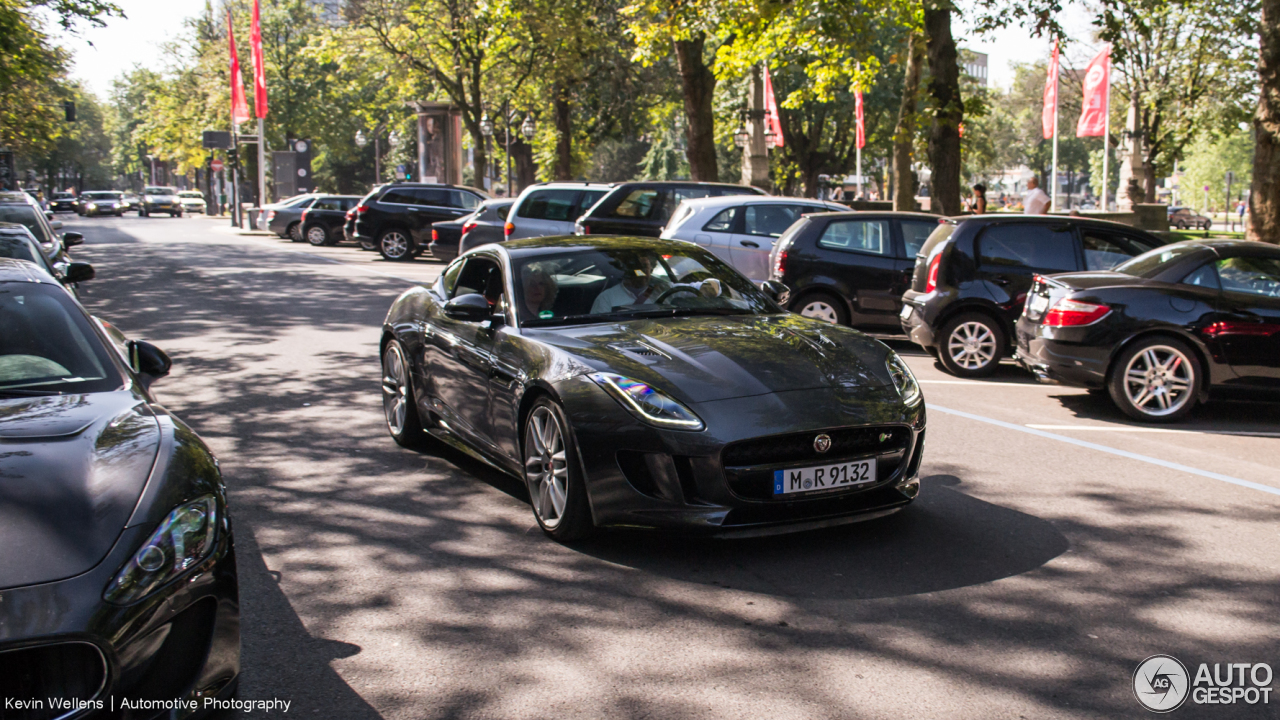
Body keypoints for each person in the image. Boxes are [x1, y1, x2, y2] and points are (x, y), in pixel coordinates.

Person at [591, 253, 671, 314]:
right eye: (637, 268)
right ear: (627, 271)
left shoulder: (663, 294)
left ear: (651, 270)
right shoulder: (607, 298)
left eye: (645, 267)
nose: (641, 272)